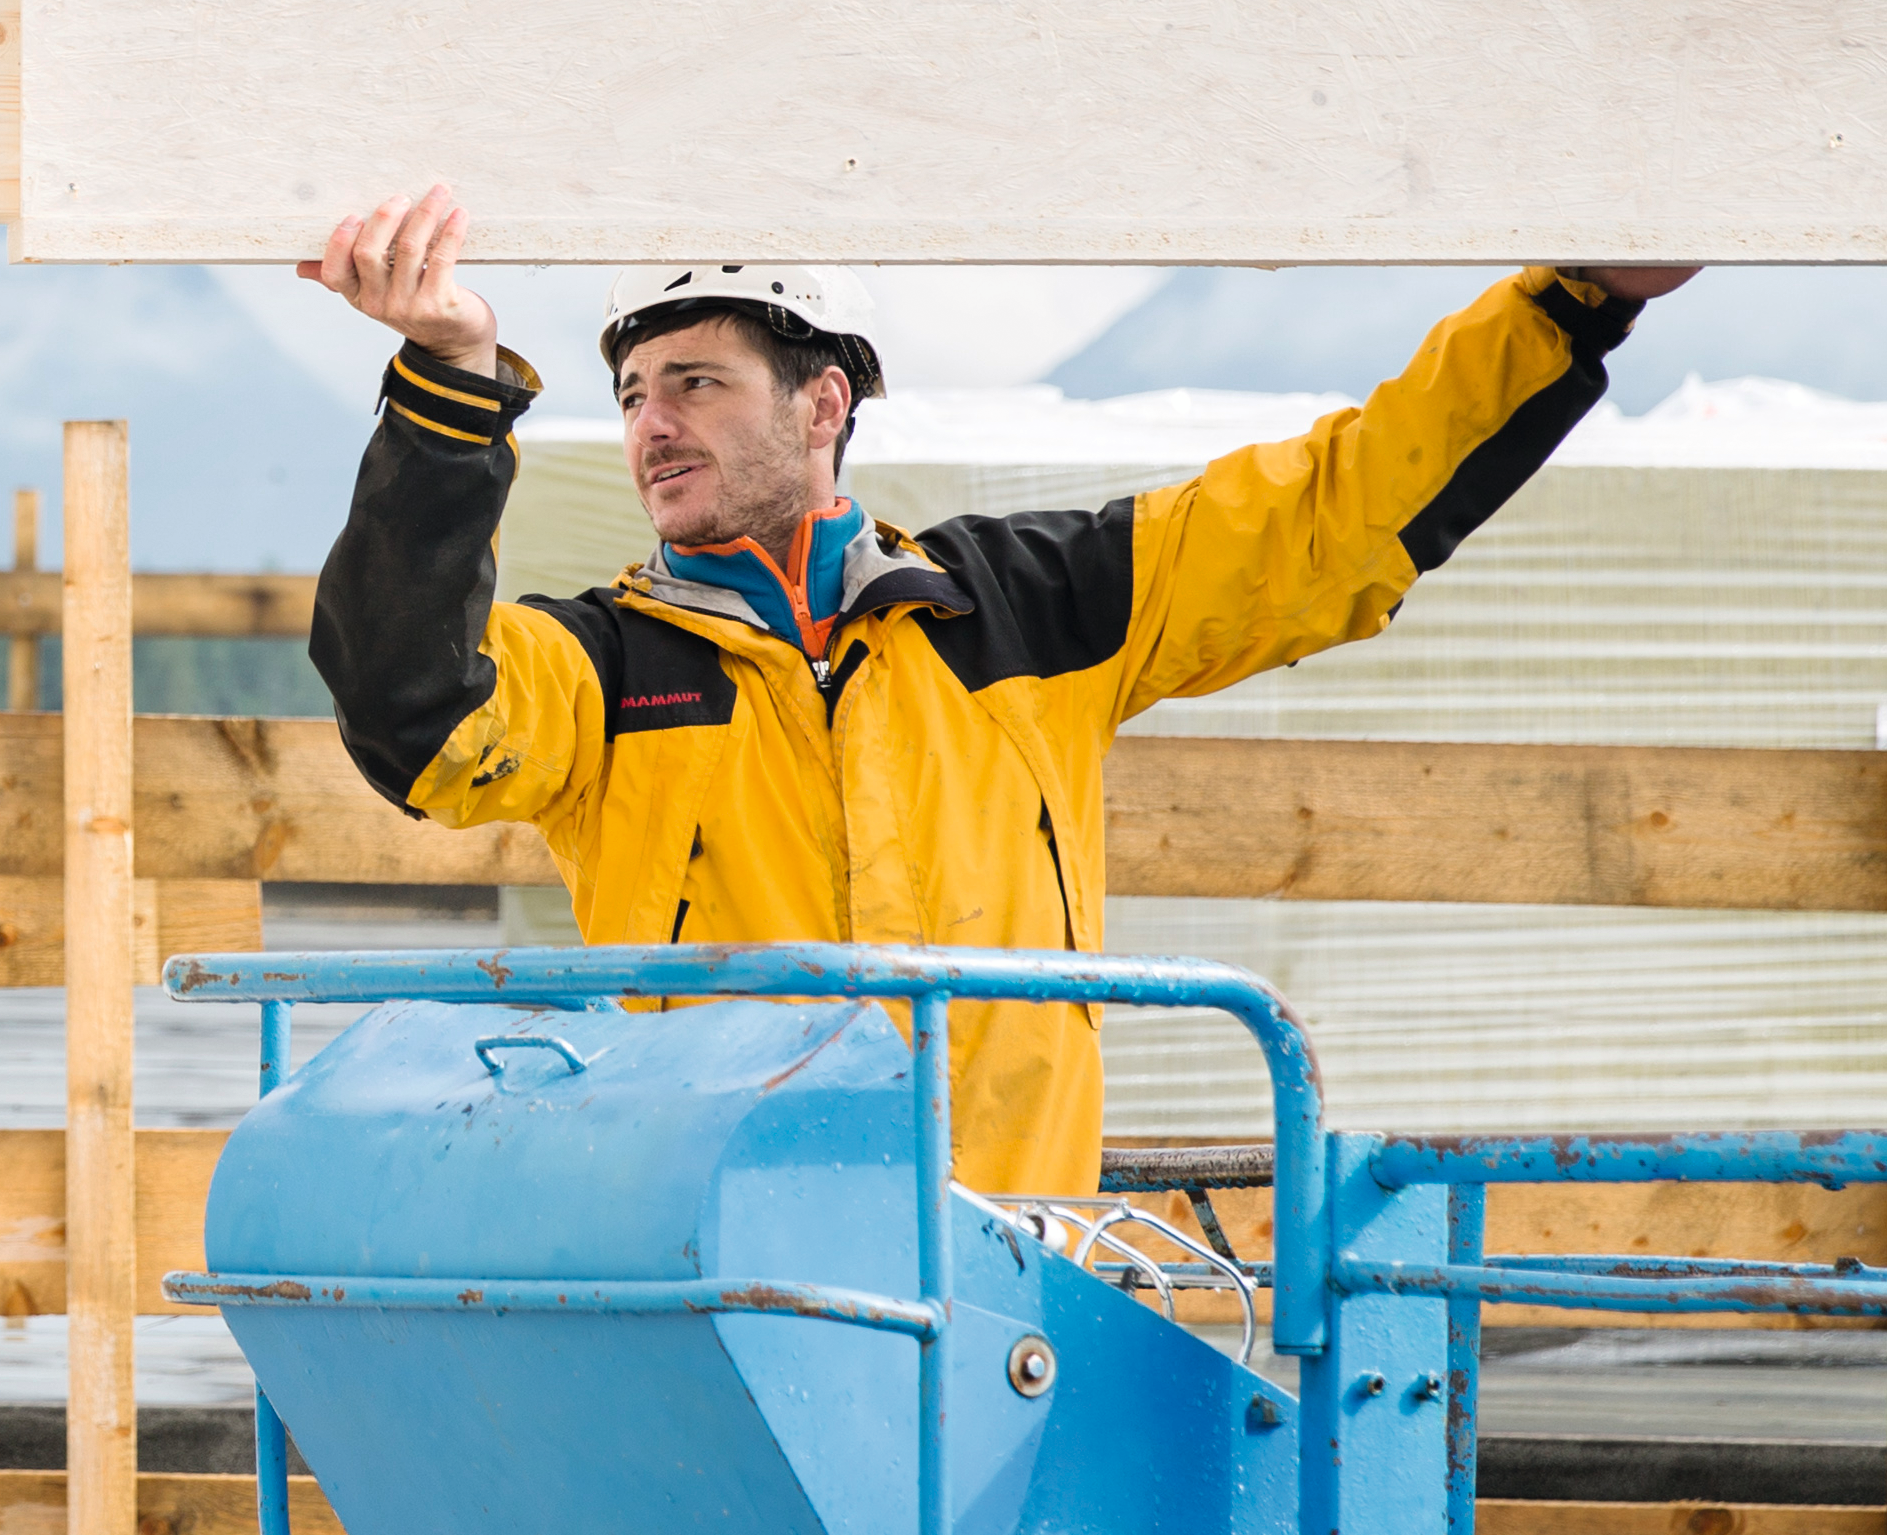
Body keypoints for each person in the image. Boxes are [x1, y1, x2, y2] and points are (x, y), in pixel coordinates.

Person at [297, 184, 1698, 1194]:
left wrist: (1572, 302)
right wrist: (448, 381)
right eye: (633, 393)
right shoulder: (601, 669)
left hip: (1015, 1262)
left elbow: (1334, 516)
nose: (650, 426)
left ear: (821, 403)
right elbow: (414, 707)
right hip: (715, 1275)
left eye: (698, 385)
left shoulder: (1030, 605)